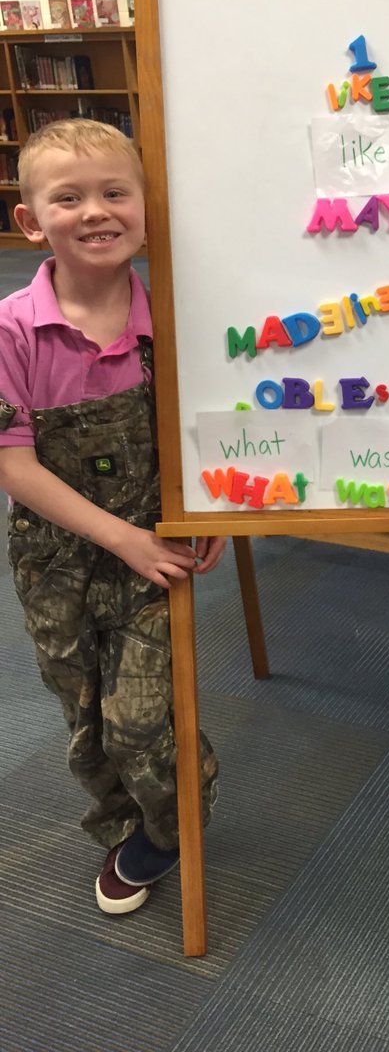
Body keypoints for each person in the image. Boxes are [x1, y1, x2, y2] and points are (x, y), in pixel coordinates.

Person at [0, 119, 223, 915]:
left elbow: (200, 425)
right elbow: (13, 464)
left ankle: (171, 825)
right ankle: (123, 820)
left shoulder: (171, 320)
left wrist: (209, 503)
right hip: (54, 560)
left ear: (145, 206)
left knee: (140, 723)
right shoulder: (11, 330)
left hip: (153, 551)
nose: (96, 211)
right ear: (30, 222)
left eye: (114, 192)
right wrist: (116, 537)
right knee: (85, 717)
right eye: (69, 197)